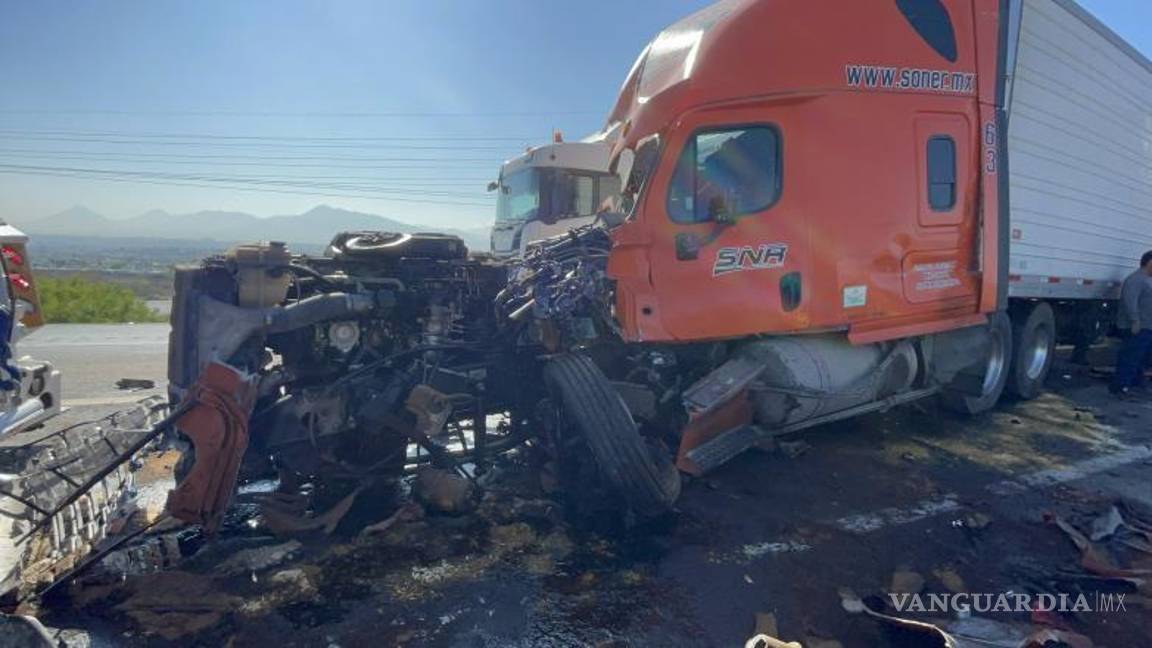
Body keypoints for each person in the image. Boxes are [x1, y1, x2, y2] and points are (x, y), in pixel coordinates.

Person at [1111, 250, 1152, 396]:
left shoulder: (1147, 280)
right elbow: (1130, 302)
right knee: (1130, 357)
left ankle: (1134, 383)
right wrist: (1135, 321)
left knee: (1140, 358)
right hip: (1137, 327)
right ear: (1149, 262)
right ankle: (1120, 386)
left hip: (1147, 327)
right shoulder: (1136, 280)